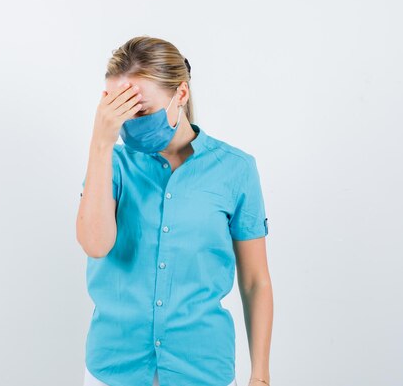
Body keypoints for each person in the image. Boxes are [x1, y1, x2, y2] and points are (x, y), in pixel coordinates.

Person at [76, 36, 273, 386]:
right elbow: (95, 245)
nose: (131, 121)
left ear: (180, 95)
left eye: (142, 109)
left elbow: (255, 281)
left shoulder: (236, 169)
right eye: (120, 110)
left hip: (201, 368)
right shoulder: (112, 163)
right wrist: (100, 143)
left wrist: (259, 374)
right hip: (114, 368)